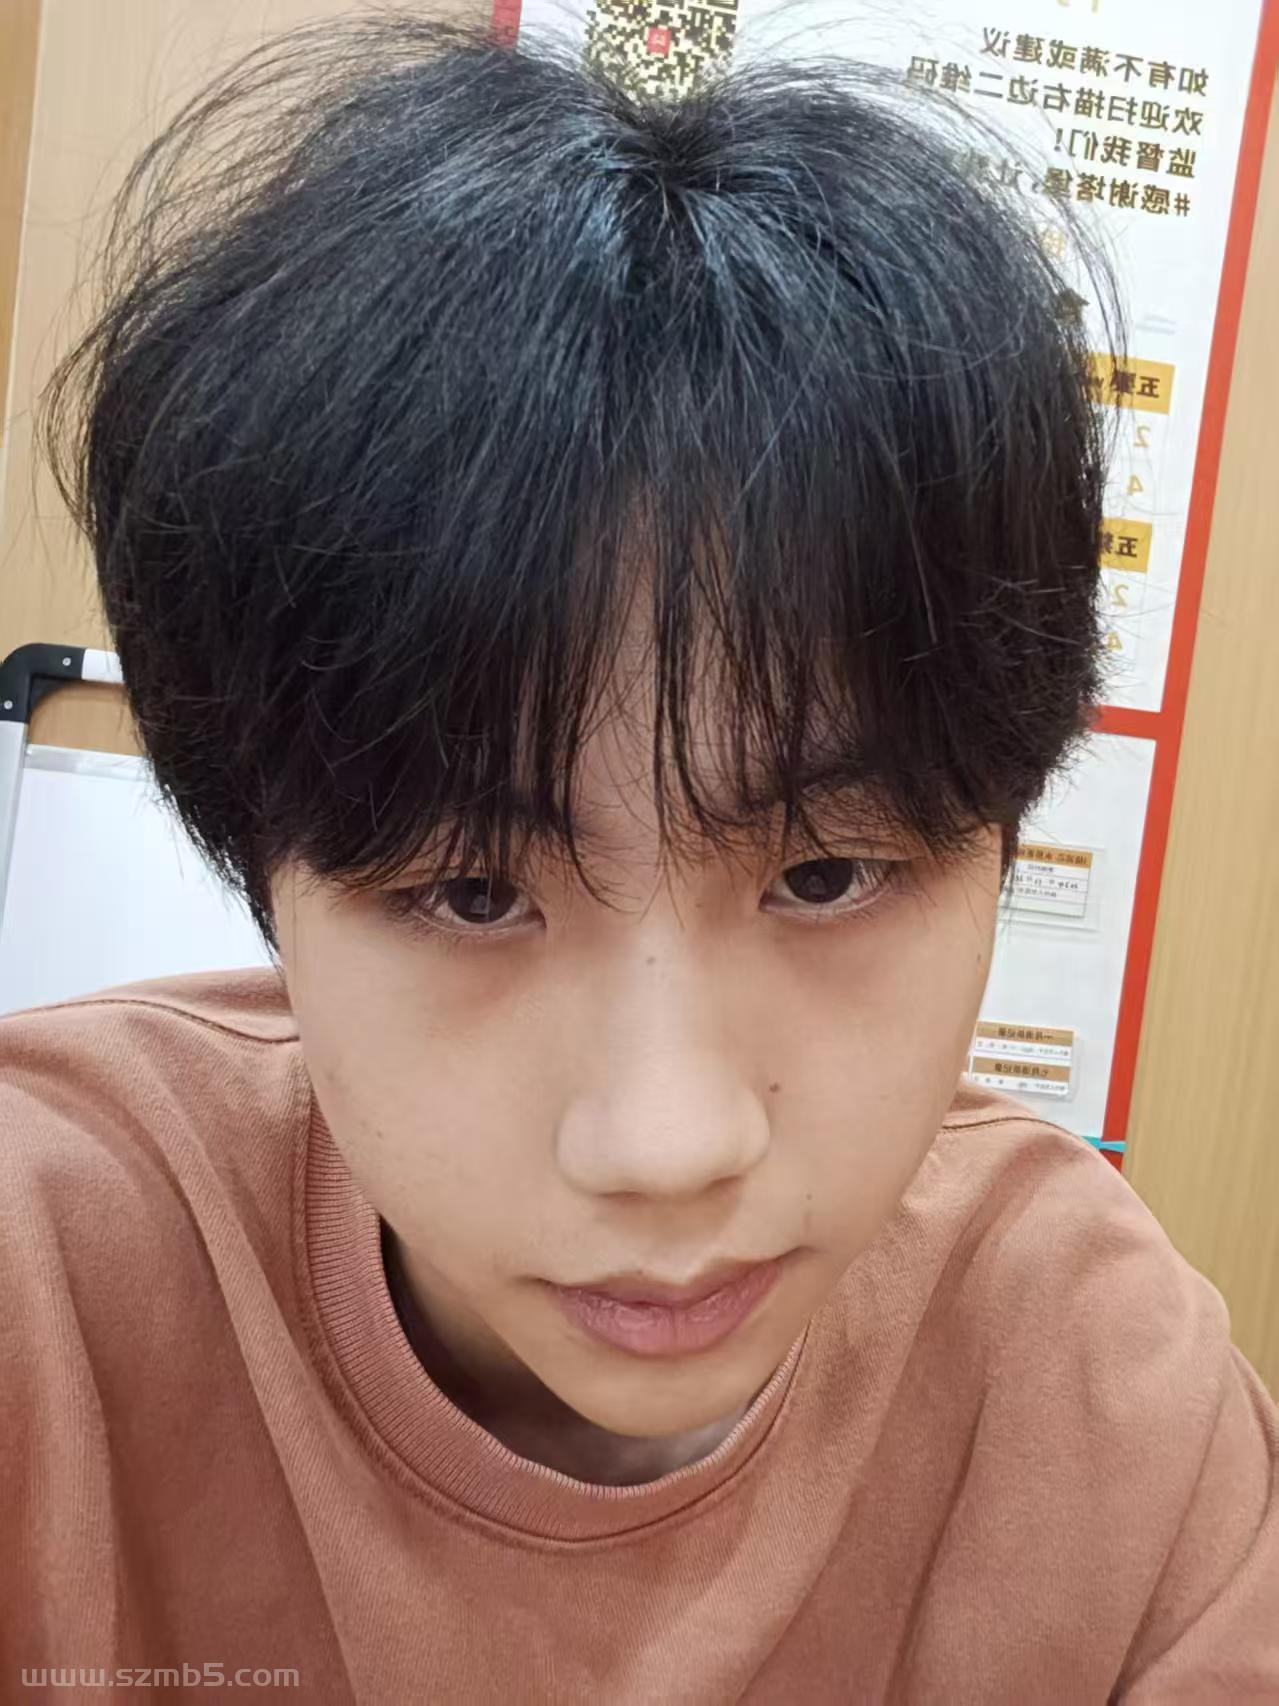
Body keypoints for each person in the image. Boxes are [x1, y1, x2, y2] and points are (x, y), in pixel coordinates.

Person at [6, 13, 1276, 1701]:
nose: (668, 1145)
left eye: (825, 872)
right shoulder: (47, 1277)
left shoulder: (1100, 1385)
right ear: (266, 878)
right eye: (472, 890)